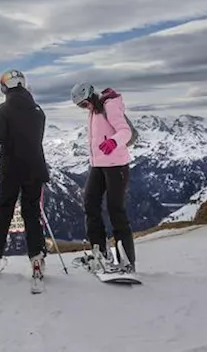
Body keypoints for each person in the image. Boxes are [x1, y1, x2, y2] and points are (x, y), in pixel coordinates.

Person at [0, 69, 49, 289]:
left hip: (11, 170)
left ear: (5, 87)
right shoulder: (38, 111)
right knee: (31, 212)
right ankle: (36, 260)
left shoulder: (4, 109)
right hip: (35, 169)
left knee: (3, 211)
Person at [71, 81, 136, 274]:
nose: (84, 108)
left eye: (84, 104)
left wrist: (113, 143)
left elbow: (126, 132)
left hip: (116, 166)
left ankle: (127, 262)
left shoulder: (109, 105)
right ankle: (100, 252)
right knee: (90, 205)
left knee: (116, 211)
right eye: (80, 106)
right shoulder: (94, 111)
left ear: (91, 96)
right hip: (98, 166)